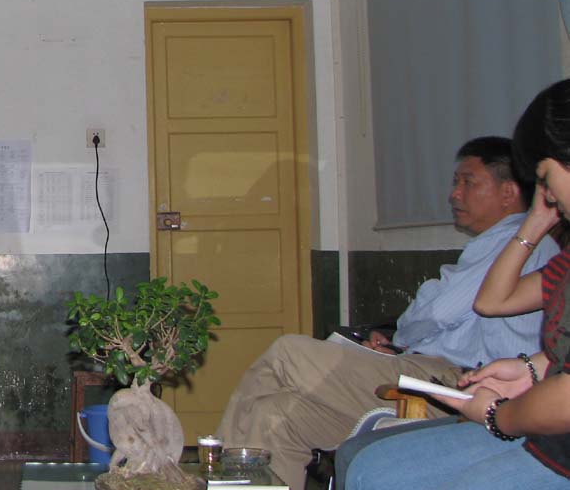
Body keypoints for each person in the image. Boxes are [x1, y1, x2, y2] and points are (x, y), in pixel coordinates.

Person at [215, 136, 558, 490]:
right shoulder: (499, 243)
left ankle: (220, 475)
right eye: (455, 182)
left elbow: (439, 312)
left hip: (460, 383)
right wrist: (398, 345)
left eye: (468, 182)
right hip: (432, 371)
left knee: (287, 353)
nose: (454, 194)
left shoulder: (514, 243)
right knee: (274, 415)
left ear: (509, 192)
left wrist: (401, 339)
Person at [347, 81, 570, 489]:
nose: (547, 194)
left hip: (554, 444)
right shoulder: (563, 260)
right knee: (370, 467)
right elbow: (493, 301)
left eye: (545, 177)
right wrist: (530, 367)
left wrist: (497, 415)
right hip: (547, 433)